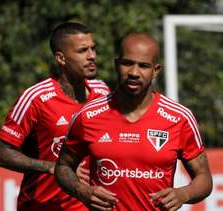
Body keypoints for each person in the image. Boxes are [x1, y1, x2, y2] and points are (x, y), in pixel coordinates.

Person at [55, 32, 213, 210]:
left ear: (155, 70)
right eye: (127, 63)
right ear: (117, 64)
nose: (134, 73)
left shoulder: (179, 117)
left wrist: (183, 194)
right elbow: (63, 167)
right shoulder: (87, 115)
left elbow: (204, 177)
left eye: (143, 66)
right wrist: (82, 191)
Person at [0, 22, 110, 211]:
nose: (92, 56)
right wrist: (52, 167)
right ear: (61, 58)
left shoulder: (103, 93)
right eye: (82, 51)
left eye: (93, 48)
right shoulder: (36, 98)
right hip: (42, 206)